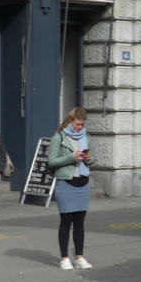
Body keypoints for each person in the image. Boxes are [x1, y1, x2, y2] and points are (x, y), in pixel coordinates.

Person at [48, 107, 93, 270]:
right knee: (66, 222)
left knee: (80, 223)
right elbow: (52, 161)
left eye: (82, 125)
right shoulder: (59, 137)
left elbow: (92, 159)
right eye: (77, 124)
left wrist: (88, 158)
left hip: (83, 183)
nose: (79, 127)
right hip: (66, 183)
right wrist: (71, 157)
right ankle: (64, 258)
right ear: (69, 121)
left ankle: (80, 257)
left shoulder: (86, 137)